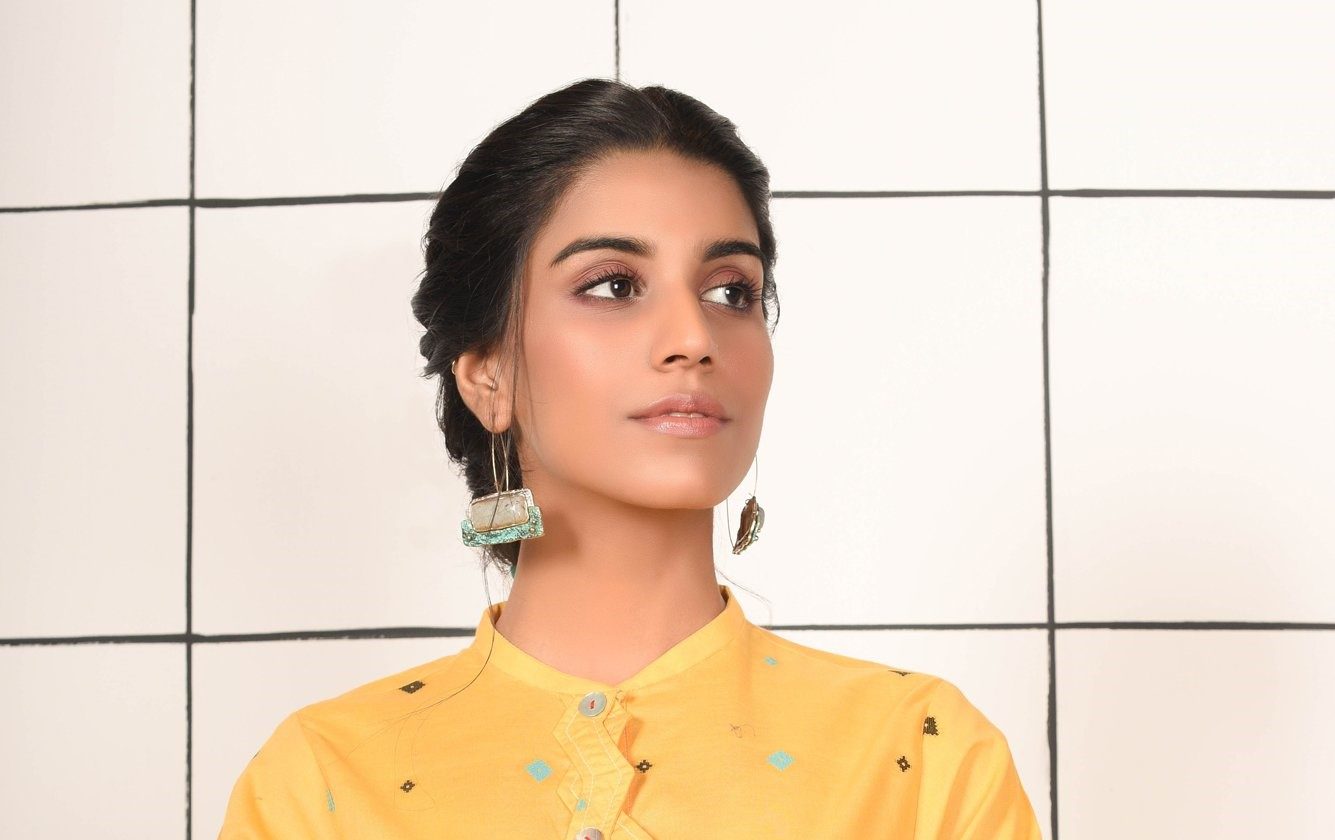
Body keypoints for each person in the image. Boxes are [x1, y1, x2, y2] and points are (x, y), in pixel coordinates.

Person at [218, 77, 1044, 839]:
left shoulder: (920, 756)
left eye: (731, 292)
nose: (693, 337)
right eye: (613, 285)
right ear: (488, 376)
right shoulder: (325, 778)